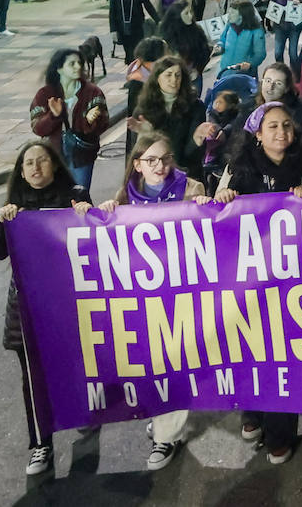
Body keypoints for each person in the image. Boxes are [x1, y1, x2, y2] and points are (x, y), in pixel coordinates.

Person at [205, 99, 302, 459]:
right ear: (257, 134)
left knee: (282, 357)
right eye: (272, 126)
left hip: (292, 281)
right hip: (248, 281)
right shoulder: (238, 168)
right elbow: (217, 217)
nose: (281, 132)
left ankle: (279, 436)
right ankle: (251, 411)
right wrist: (223, 198)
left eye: (287, 125)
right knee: (249, 348)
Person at [98, 130, 208, 470]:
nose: (159, 166)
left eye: (165, 159)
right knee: (152, 366)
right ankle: (163, 419)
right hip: (145, 300)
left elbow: (211, 233)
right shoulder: (125, 199)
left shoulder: (192, 190)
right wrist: (104, 213)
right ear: (137, 166)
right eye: (151, 160)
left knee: (175, 363)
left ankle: (166, 437)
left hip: (182, 296)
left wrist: (208, 209)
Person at [0, 139, 88, 475]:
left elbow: (95, 240)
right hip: (27, 304)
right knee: (32, 377)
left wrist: (86, 215)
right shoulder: (14, 207)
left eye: (41, 161)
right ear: (20, 170)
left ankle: (82, 412)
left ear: (54, 164)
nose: (34, 168)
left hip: (67, 302)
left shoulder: (75, 194)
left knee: (74, 364)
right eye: (28, 163)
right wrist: (3, 222)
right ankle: (40, 444)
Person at [29, 48, 109, 190]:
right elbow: (38, 128)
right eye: (72, 64)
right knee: (56, 199)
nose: (78, 67)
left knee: (79, 196)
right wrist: (53, 115)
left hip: (81, 155)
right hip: (53, 155)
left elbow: (103, 123)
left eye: (79, 63)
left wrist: (91, 120)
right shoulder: (44, 94)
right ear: (59, 69)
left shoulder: (93, 92)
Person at [131, 55, 205, 179]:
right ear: (157, 78)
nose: (173, 80)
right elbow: (136, 154)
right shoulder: (143, 109)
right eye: (168, 75)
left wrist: (196, 140)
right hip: (154, 178)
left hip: (186, 177)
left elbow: (193, 156)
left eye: (178, 75)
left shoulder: (195, 107)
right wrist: (145, 135)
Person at [159, 0, 212, 94]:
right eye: (186, 13)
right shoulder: (167, 36)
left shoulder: (197, 31)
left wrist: (198, 68)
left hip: (193, 78)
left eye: (190, 11)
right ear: (177, 17)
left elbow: (205, 52)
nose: (190, 16)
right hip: (173, 80)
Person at [109, 0, 158, 64]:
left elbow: (148, 5)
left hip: (137, 25)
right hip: (122, 26)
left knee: (137, 51)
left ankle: (137, 71)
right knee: (128, 52)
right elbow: (112, 12)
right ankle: (131, 72)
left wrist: (158, 20)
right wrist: (113, 30)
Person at [218, 0, 265, 77]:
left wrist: (250, 64)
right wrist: (219, 46)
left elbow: (260, 54)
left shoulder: (256, 31)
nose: (229, 15)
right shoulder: (229, 25)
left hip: (245, 74)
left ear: (242, 15)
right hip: (225, 71)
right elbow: (223, 39)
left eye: (232, 13)